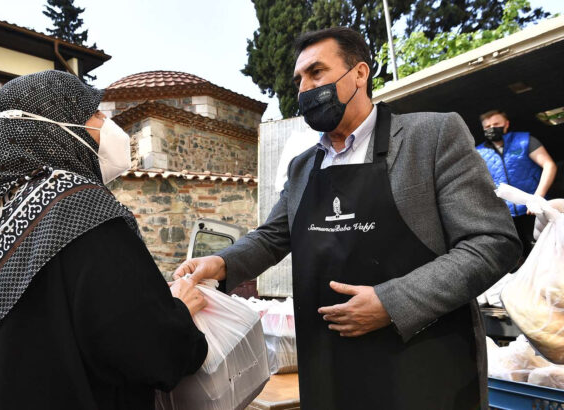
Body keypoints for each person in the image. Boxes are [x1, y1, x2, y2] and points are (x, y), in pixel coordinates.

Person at [174, 27, 520, 409]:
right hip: (330, 371)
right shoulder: (303, 166)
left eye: (317, 72)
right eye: (299, 79)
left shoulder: (431, 137)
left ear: (359, 74)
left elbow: (492, 243)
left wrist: (390, 302)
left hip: (423, 368)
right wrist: (220, 263)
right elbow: (272, 237)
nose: (304, 88)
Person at [0, 70, 208, 410]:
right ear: (57, 127)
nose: (107, 123)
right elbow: (150, 349)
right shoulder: (83, 209)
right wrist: (180, 311)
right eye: (94, 113)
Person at [478, 109, 558, 258]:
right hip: (505, 216)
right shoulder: (479, 153)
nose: (492, 129)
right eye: (487, 127)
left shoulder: (524, 140)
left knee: (549, 251)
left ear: (506, 124)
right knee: (523, 256)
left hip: (534, 208)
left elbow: (549, 165)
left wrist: (537, 198)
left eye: (496, 124)